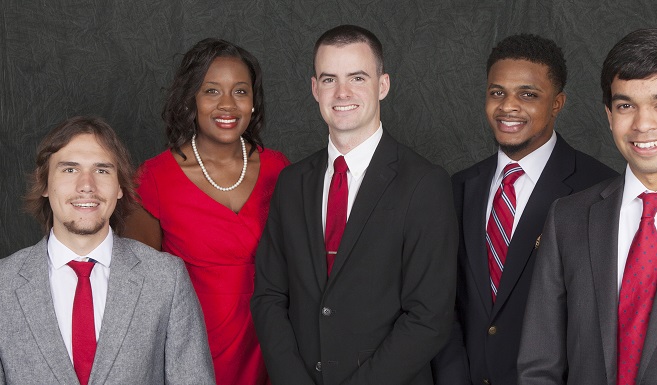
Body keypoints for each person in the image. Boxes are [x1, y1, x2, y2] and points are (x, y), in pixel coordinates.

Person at [517, 28, 657, 384]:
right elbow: (539, 365)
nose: (643, 124)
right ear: (609, 115)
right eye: (626, 105)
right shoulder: (569, 218)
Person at [250, 24, 458, 385]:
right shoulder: (291, 182)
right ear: (315, 88)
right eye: (329, 79)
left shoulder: (425, 184)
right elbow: (269, 297)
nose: (342, 92)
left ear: (383, 85)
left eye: (357, 78)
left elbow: (429, 318)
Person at [432, 34, 617, 385]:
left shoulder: (600, 191)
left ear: (557, 103)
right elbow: (443, 305)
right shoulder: (457, 188)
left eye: (528, 95)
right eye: (497, 92)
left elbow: (598, 323)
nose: (508, 107)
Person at [0, 116, 214, 384]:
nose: (86, 185)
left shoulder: (166, 279)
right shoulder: (3, 285)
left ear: (121, 187)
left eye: (102, 170)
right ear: (44, 184)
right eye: (69, 170)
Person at [123, 38, 288, 385]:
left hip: (271, 345)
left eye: (240, 92)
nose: (227, 105)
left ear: (253, 103)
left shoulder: (280, 171)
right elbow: (140, 291)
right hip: (193, 348)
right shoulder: (154, 179)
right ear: (190, 100)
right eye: (212, 91)